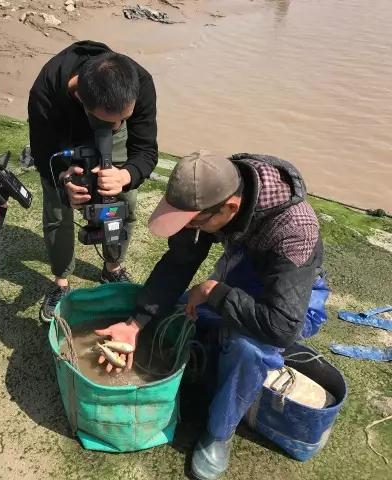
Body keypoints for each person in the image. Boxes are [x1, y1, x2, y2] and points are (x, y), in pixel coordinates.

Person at [97, 152, 329, 479]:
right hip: (243, 269)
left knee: (248, 349)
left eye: (193, 221)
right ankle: (203, 356)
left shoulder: (295, 230)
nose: (189, 227)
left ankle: (219, 432)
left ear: (230, 208)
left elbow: (281, 325)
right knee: (176, 309)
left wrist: (215, 292)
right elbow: (179, 262)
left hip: (291, 300)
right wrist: (136, 323)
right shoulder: (211, 188)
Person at [28, 41, 159, 322]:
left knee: (123, 201)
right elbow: (43, 154)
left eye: (124, 118)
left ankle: (112, 268)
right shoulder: (46, 92)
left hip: (106, 117)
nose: (114, 128)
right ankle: (60, 282)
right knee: (57, 210)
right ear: (81, 100)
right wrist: (63, 179)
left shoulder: (141, 83)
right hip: (64, 135)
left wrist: (126, 175)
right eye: (110, 122)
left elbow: (146, 150)